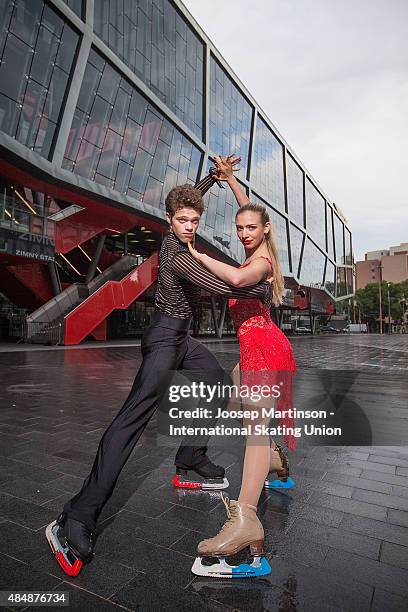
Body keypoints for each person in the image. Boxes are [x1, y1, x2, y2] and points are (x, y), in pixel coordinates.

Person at [45, 168, 273, 577]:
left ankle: (189, 456)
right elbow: (227, 287)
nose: (188, 227)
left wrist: (210, 179)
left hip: (183, 338)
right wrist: (263, 284)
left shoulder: (179, 225)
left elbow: (186, 198)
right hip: (165, 339)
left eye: (194, 222)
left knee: (217, 382)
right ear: (169, 220)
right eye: (182, 221)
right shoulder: (176, 253)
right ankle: (76, 515)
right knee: (133, 418)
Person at [188, 156, 297, 578]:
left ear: (266, 230)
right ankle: (273, 458)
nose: (244, 233)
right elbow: (249, 209)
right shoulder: (255, 249)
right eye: (239, 228)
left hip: (265, 349)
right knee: (238, 406)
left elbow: (234, 281)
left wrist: (194, 253)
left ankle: (246, 518)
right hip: (253, 349)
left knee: (253, 431)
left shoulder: (262, 264)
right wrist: (231, 181)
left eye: (251, 227)